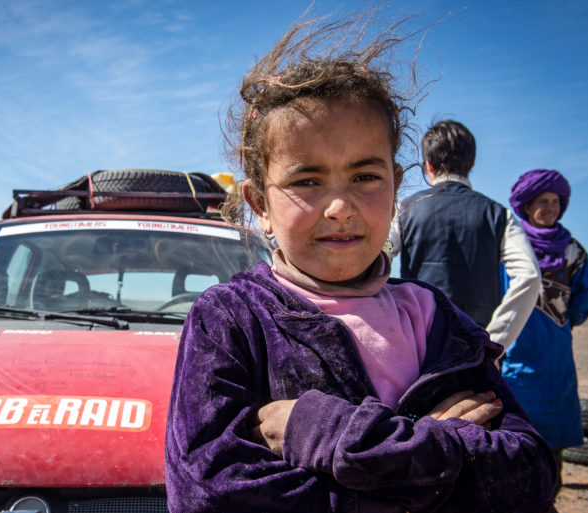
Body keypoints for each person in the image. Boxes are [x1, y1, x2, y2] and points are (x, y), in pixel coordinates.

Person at [165, 13, 555, 513]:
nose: (340, 207)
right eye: (307, 181)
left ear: (395, 188)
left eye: (366, 177)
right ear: (259, 204)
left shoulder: (432, 316)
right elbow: (209, 493)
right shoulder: (232, 319)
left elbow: (529, 474)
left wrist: (328, 434)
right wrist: (432, 460)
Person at [388, 120, 541, 350]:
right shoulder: (499, 215)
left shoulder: (404, 210)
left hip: (419, 344)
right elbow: (529, 276)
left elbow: (382, 252)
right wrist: (494, 340)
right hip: (476, 347)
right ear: (472, 163)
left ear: (427, 165)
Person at [501, 168, 588, 495]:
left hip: (556, 366)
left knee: (553, 443)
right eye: (543, 201)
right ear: (526, 205)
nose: (551, 208)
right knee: (515, 438)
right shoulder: (511, 249)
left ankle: (549, 499)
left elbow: (585, 300)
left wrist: (557, 324)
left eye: (556, 201)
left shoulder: (573, 252)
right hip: (514, 364)